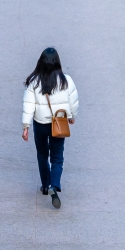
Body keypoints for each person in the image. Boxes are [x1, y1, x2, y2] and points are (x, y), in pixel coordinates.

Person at [21, 47, 78, 209]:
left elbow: (28, 106)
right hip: (59, 123)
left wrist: (25, 126)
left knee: (42, 154)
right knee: (57, 156)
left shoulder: (34, 82)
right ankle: (54, 185)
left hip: (40, 124)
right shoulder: (66, 80)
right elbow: (73, 101)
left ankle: (45, 186)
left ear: (40, 62)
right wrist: (72, 117)